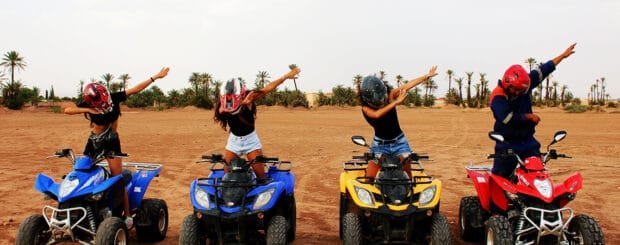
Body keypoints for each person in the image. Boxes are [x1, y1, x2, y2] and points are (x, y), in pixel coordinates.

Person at [63, 67, 170, 227]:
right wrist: (87, 109)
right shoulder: (88, 103)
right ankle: (84, 209)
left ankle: (127, 215)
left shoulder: (113, 98)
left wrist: (155, 77)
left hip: (112, 141)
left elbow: (135, 89)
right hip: (94, 142)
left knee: (117, 178)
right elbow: (67, 109)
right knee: (82, 172)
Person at [490, 43, 576, 179]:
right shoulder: (498, 96)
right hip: (507, 142)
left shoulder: (525, 85)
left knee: (537, 174)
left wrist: (563, 56)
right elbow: (507, 118)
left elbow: (544, 70)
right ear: (508, 84)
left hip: (528, 141)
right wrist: (527, 117)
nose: (519, 92)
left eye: (522, 90)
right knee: (500, 178)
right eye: (516, 90)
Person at [214, 67, 301, 178]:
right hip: (234, 141)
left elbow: (268, 88)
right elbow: (220, 112)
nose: (229, 101)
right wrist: (232, 107)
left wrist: (286, 76)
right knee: (227, 177)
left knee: (261, 177)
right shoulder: (223, 102)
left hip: (250, 141)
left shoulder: (249, 96)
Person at [359, 66, 438, 178]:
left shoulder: (390, 95)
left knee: (408, 178)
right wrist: (396, 102)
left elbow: (408, 85)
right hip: (379, 144)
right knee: (369, 179)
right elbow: (377, 115)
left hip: (400, 142)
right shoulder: (365, 108)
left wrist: (427, 76)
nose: (381, 100)